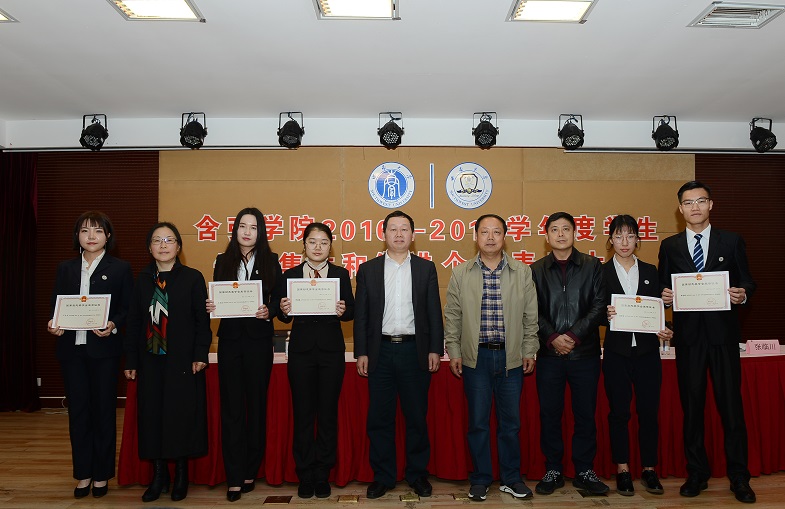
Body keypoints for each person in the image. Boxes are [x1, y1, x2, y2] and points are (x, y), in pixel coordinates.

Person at [658, 181, 756, 503]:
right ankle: (697, 472)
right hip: (689, 341)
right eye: (688, 203)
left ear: (711, 204)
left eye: (701, 201)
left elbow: (748, 281)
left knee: (732, 409)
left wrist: (742, 295)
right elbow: (662, 288)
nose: (695, 207)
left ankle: (739, 477)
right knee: (692, 408)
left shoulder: (731, 240)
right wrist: (665, 296)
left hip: (723, 339)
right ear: (680, 209)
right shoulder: (670, 246)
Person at [444, 214, 539, 502]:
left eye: (496, 232)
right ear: (475, 237)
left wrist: (529, 349)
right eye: (484, 232)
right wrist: (454, 351)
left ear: (504, 237)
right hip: (477, 358)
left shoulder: (521, 272)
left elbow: (530, 316)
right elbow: (453, 316)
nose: (490, 237)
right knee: (478, 423)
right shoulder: (461, 273)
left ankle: (511, 478)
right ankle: (481, 479)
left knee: (511, 424)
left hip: (511, 358)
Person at [353, 210, 443, 500]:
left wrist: (435, 348)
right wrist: (361, 352)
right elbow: (361, 316)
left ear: (413, 235)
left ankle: (417, 474)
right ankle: (383, 476)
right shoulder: (368, 270)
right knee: (380, 418)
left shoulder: (425, 268)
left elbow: (434, 312)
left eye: (405, 229)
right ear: (384, 235)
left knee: (416, 416)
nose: (399, 234)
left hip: (414, 351)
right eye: (393, 229)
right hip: (380, 352)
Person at [47, 211, 134, 499]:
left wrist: (113, 324)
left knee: (104, 412)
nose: (91, 236)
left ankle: (102, 475)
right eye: (85, 231)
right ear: (78, 236)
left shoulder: (120, 268)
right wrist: (53, 323)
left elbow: (127, 308)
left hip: (104, 351)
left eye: (98, 231)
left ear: (108, 236)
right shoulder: (66, 268)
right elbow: (57, 304)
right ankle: (83, 473)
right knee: (78, 413)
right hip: (71, 351)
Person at [123, 222, 212, 503]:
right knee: (152, 416)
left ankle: (181, 475)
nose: (163, 245)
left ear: (178, 247)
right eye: (157, 240)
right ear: (149, 248)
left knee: (179, 415)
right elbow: (134, 322)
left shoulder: (192, 278)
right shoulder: (142, 280)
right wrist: (131, 359)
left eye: (169, 240)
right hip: (150, 360)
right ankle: (159, 475)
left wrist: (200, 354)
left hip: (182, 360)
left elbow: (202, 321)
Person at [204, 207, 282, 502]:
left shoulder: (271, 260)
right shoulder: (222, 260)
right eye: (242, 226)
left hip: (259, 342)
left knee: (256, 407)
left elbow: (277, 300)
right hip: (231, 342)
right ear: (235, 229)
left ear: (261, 232)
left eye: (254, 227)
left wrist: (268, 311)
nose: (247, 232)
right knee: (232, 409)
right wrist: (211, 305)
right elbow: (218, 295)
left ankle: (251, 469)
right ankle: (234, 476)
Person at [530, 212, 609, 496]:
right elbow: (532, 310)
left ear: (575, 233)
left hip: (584, 354)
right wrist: (553, 338)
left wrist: (573, 337)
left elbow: (599, 306)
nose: (561, 234)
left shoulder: (592, 266)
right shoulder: (535, 270)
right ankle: (553, 469)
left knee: (585, 415)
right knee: (550, 414)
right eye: (554, 229)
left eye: (566, 229)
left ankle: (584, 470)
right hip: (550, 356)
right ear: (547, 236)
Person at [279, 222, 355, 499]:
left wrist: (343, 309)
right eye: (312, 242)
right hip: (301, 352)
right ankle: (305, 473)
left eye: (324, 242)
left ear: (330, 246)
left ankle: (322, 473)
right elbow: (282, 315)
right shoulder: (290, 275)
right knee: (302, 414)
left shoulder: (340, 274)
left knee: (327, 414)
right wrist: (284, 309)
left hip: (330, 352)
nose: (318, 247)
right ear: (304, 245)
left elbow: (351, 311)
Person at [602, 214, 672, 496]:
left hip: (647, 353)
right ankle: (622, 469)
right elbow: (594, 310)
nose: (624, 242)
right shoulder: (601, 273)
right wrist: (605, 315)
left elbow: (659, 310)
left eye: (630, 236)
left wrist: (666, 328)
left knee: (648, 412)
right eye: (619, 236)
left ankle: (649, 469)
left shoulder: (651, 271)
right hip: (616, 353)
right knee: (619, 412)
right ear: (610, 240)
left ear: (638, 240)